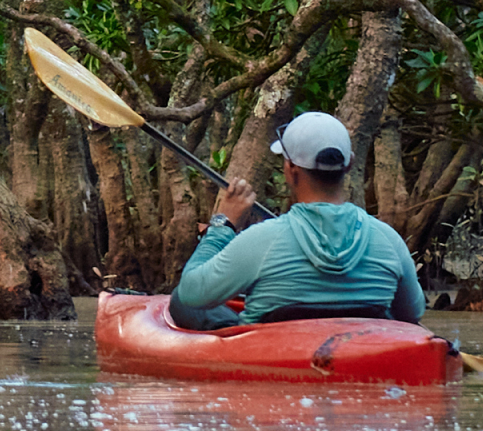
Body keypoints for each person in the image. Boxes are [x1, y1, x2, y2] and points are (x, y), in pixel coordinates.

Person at [168, 110, 424, 329]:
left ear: (290, 168)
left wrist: (223, 224)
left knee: (180, 301)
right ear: (349, 164)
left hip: (271, 355)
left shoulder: (262, 240)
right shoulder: (389, 239)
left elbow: (191, 293)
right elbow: (412, 314)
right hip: (361, 351)